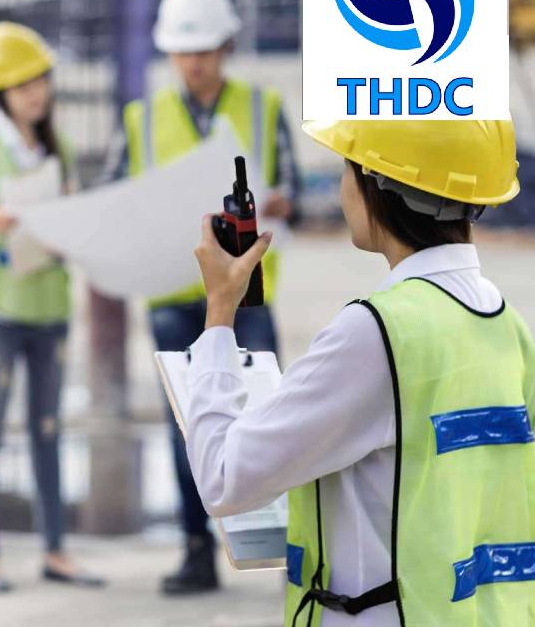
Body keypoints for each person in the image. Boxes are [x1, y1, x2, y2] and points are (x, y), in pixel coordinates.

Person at [188, 120, 530, 625]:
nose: (344, 188)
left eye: (348, 168)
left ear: (379, 186)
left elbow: (223, 478)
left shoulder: (374, 333)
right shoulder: (506, 322)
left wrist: (219, 315)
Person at [110, 0, 303, 594]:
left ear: (225, 46)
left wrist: (281, 201)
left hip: (245, 289)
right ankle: (197, 551)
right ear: (171, 53)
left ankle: (275, 546)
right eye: (184, 51)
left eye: (205, 48)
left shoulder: (262, 107)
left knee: (265, 411)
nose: (194, 62)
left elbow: (293, 190)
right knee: (188, 423)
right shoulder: (140, 120)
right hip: (171, 291)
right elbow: (118, 195)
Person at [0, 20, 102, 593]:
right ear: (1, 91)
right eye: (23, 84)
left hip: (48, 302)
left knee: (50, 429)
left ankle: (56, 549)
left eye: (41, 81)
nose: (36, 93)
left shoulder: (56, 145)